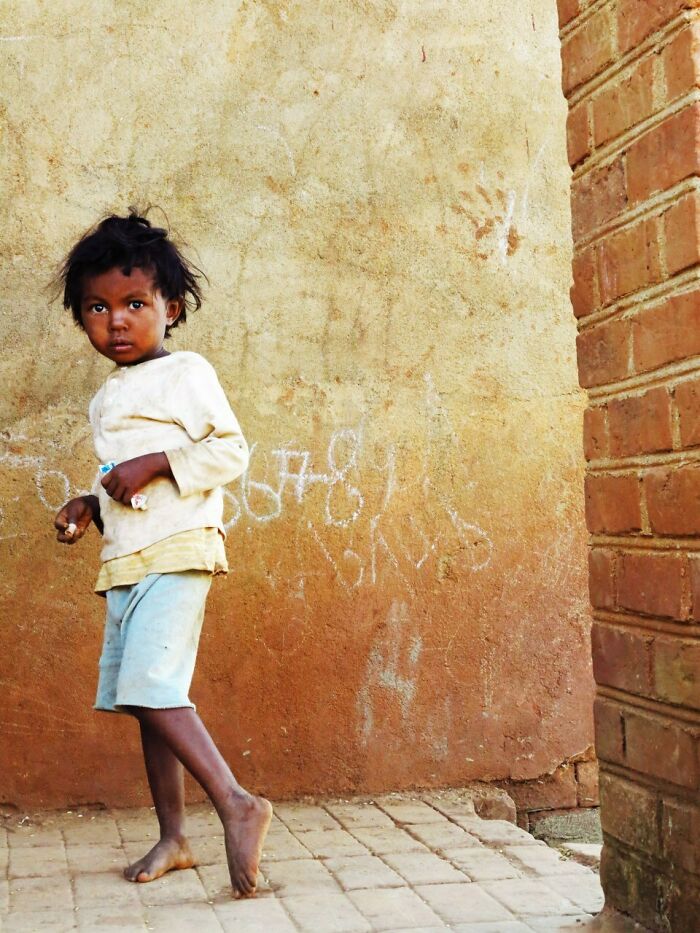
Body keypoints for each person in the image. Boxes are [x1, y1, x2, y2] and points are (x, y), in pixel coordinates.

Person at [53, 211, 272, 898]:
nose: (116, 321)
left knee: (152, 688)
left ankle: (237, 801)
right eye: (98, 306)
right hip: (126, 561)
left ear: (170, 309)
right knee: (148, 699)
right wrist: (89, 503)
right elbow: (119, 472)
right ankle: (175, 836)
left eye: (134, 304)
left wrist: (155, 461)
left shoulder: (187, 372)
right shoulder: (106, 397)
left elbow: (229, 450)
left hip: (179, 551)